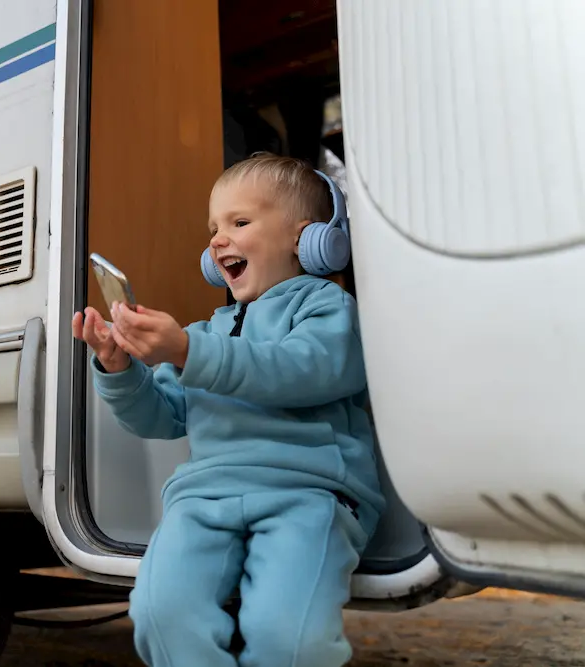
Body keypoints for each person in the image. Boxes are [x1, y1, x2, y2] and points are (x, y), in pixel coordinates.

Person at [72, 153, 385, 667]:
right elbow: (160, 416)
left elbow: (302, 370)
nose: (218, 239)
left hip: (305, 493)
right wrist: (118, 370)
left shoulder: (326, 308)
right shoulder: (205, 331)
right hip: (203, 497)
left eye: (239, 223)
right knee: (161, 614)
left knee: (288, 636)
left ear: (305, 239)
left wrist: (188, 354)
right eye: (213, 227)